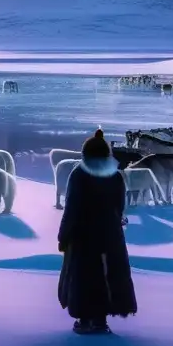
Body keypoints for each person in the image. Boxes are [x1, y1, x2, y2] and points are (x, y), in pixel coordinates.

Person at [57, 129, 137, 334]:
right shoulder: (115, 176)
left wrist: (63, 235)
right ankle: (101, 320)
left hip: (84, 235)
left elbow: (72, 208)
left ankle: (85, 320)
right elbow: (120, 206)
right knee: (107, 274)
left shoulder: (79, 174)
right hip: (110, 235)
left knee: (84, 276)